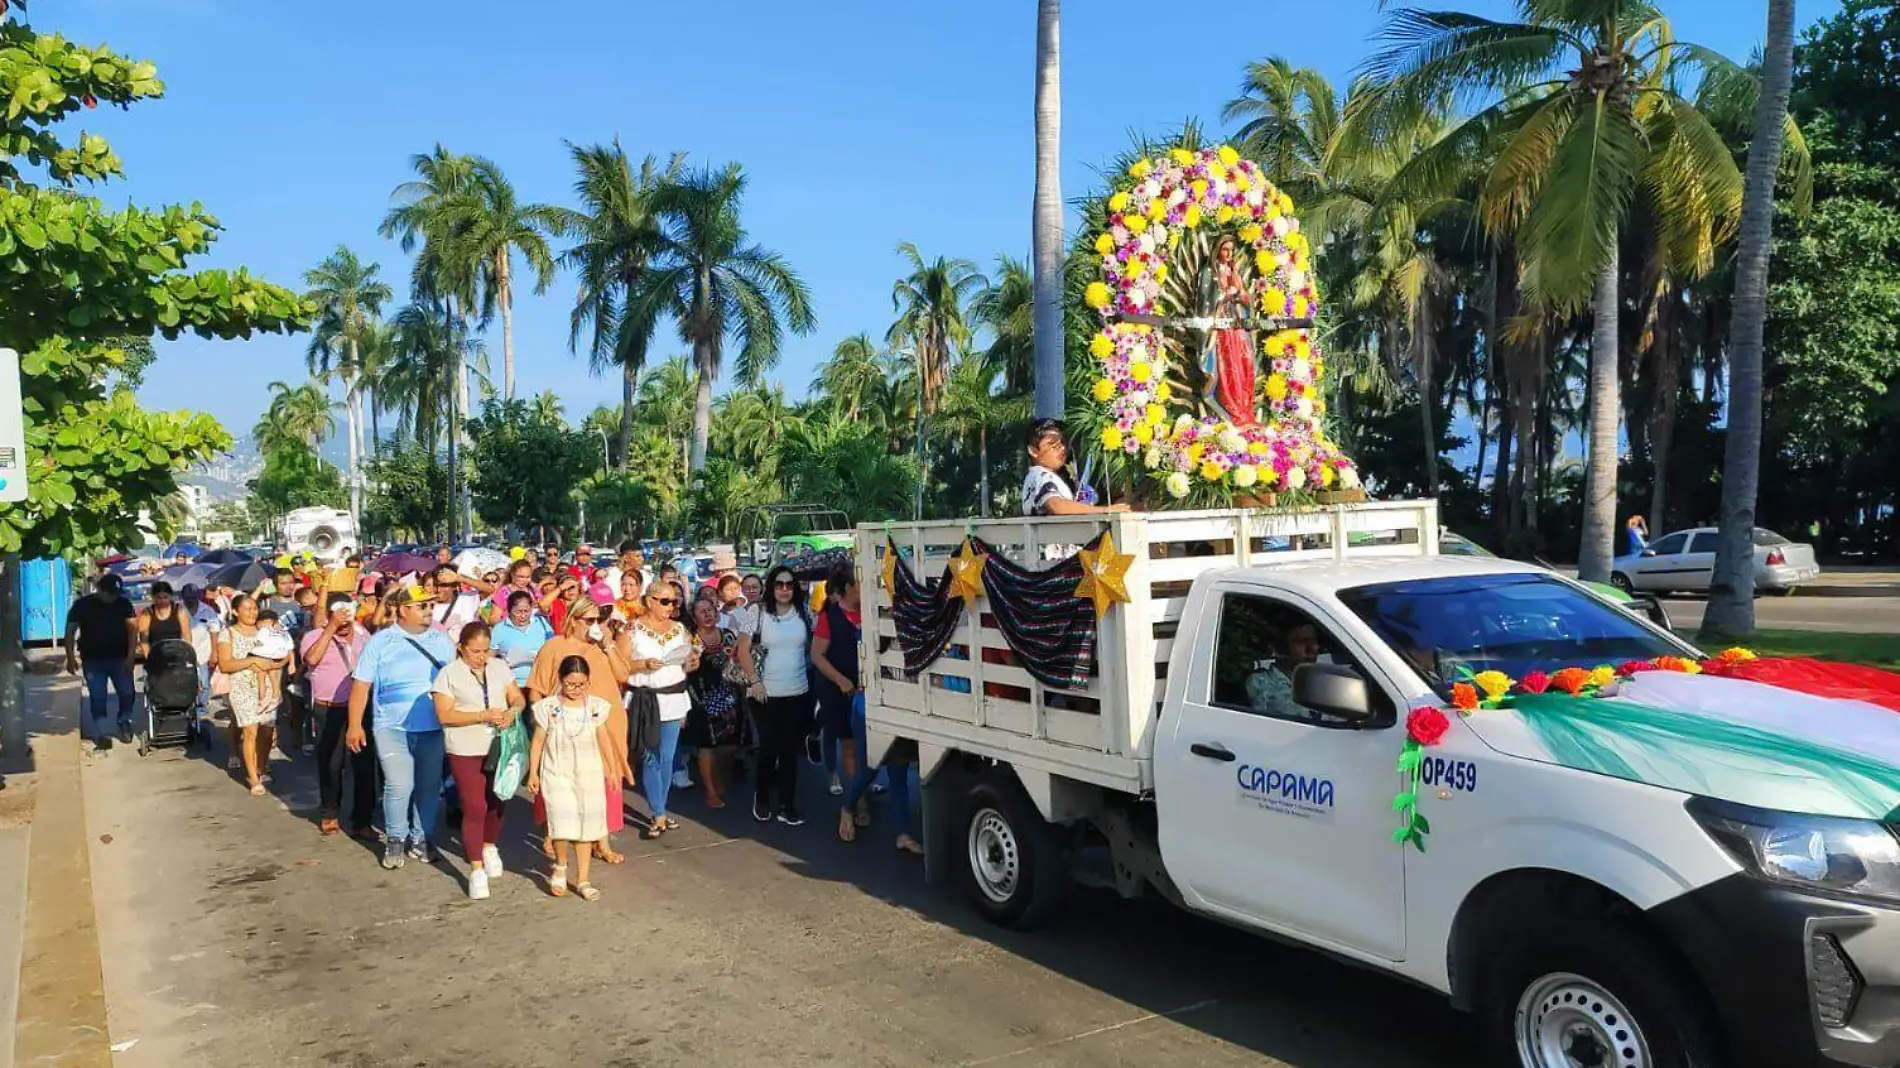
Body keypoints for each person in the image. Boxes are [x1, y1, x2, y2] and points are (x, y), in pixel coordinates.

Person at [347, 585, 456, 870]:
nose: (428, 611)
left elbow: (456, 682)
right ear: (403, 609)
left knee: (429, 786)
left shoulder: (443, 642)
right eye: (422, 606)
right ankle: (396, 839)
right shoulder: (381, 641)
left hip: (432, 727)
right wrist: (355, 725)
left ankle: (421, 839)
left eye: (431, 606)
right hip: (391, 727)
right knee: (399, 785)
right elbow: (361, 685)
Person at [525, 596, 632, 862]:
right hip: (565, 727)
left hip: (606, 725)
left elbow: (623, 675)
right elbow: (536, 690)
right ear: (573, 620)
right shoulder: (553, 647)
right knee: (563, 781)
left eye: (599, 620)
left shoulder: (601, 648)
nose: (595, 625)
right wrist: (544, 723)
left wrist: (608, 644)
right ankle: (554, 834)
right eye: (590, 621)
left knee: (603, 780)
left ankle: (602, 842)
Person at [431, 621, 526, 901]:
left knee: (499, 799)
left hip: (498, 744)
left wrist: (513, 711)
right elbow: (444, 715)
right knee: (474, 805)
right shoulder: (448, 675)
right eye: (475, 651)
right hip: (465, 747)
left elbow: (517, 698)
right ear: (462, 648)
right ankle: (475, 869)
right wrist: (481, 715)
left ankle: (489, 845)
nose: (481, 657)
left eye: (485, 650)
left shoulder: (498, 667)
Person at [528, 655, 613, 901]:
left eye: (582, 684)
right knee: (561, 823)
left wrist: (612, 766)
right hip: (557, 771)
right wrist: (533, 771)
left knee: (587, 827)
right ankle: (561, 865)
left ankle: (584, 878)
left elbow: (604, 738)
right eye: (570, 684)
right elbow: (538, 741)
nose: (576, 690)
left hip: (589, 772)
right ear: (560, 681)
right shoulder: (548, 707)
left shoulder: (596, 706)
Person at [736, 565, 813, 825]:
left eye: (789, 584)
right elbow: (743, 650)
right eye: (779, 584)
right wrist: (754, 681)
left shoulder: (804, 612)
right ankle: (762, 797)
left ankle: (787, 804)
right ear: (771, 586)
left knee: (790, 750)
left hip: (797, 690)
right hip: (764, 693)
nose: (784, 589)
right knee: (769, 748)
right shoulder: (756, 612)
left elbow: (813, 648)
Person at [626, 580, 696, 837]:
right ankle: (658, 813)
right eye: (665, 601)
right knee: (651, 757)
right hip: (645, 701)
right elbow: (620, 666)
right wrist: (643, 663)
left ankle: (661, 809)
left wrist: (692, 660)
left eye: (674, 601)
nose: (670, 606)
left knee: (667, 758)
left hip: (673, 699)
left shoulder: (679, 629)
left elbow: (688, 662)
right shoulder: (632, 629)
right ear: (650, 601)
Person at [304, 592, 374, 838]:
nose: (344, 626)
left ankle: (362, 820)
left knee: (364, 765)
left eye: (347, 619)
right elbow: (311, 658)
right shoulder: (314, 636)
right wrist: (330, 628)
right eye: (339, 619)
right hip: (328, 709)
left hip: (360, 708)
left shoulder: (363, 633)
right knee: (332, 765)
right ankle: (330, 813)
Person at [216, 594, 289, 795]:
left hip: (267, 685)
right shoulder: (228, 634)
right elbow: (225, 664)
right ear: (235, 611)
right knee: (250, 731)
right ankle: (253, 778)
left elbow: (282, 655)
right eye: (246, 609)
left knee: (267, 731)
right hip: (242, 687)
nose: (252, 612)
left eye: (254, 608)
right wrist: (251, 661)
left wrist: (274, 664)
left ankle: (261, 766)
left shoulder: (266, 631)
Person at [65, 574, 138, 751]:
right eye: (110, 593)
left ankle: (124, 720)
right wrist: (70, 657)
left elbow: (132, 630)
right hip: (93, 660)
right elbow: (70, 632)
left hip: (119, 658)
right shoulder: (82, 605)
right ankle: (103, 731)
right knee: (98, 697)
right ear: (100, 589)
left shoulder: (123, 604)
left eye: (116, 593)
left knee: (127, 692)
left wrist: (131, 656)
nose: (113, 597)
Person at [683, 597, 741, 808]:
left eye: (710, 610)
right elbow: (684, 670)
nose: (707, 614)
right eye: (701, 611)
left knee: (728, 746)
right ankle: (709, 791)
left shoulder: (727, 635)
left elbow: (738, 661)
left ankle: (717, 774)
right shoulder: (690, 640)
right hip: (701, 698)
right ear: (694, 616)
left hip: (728, 696)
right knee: (706, 745)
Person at [811, 563, 862, 803]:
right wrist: (840, 680)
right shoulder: (829, 614)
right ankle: (852, 793)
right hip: (835, 686)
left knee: (865, 743)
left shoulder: (872, 609)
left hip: (865, 688)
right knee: (843, 738)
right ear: (850, 586)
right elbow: (816, 655)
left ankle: (862, 783)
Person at [1021, 419, 1130, 517]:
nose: (1062, 448)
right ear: (1033, 451)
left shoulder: (1049, 476)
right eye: (1053, 445)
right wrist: (1105, 510)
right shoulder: (1040, 476)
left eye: (1062, 443)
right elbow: (1055, 505)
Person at [1245, 620, 1322, 719]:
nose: (1310, 649)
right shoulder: (1260, 682)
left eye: (1313, 641)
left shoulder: (1322, 683)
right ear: (1280, 648)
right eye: (1301, 642)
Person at [492, 590, 553, 690]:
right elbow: (489, 657)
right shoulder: (499, 629)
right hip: (512, 685)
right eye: (518, 612)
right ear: (509, 610)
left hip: (540, 683)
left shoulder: (542, 624)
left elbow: (553, 648)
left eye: (526, 611)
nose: (523, 616)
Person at [180, 584, 222, 726]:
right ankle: (186, 709)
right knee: (185, 684)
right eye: (188, 598)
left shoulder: (208, 611)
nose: (190, 601)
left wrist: (215, 652)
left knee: (203, 684)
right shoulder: (178, 610)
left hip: (203, 653)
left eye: (193, 598)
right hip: (183, 654)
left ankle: (202, 711)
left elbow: (214, 631)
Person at [136, 580, 192, 662]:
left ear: (170, 596)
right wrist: (150, 660)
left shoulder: (179, 610)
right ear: (153, 597)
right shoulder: (147, 613)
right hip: (156, 655)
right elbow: (144, 641)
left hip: (176, 656)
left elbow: (186, 635)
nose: (162, 601)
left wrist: (185, 657)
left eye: (165, 597)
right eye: (159, 597)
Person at [428, 565, 482, 635]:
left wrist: (461, 579)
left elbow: (490, 589)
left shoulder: (468, 598)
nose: (438, 589)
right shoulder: (428, 608)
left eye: (444, 585)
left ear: (454, 585)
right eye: (436, 585)